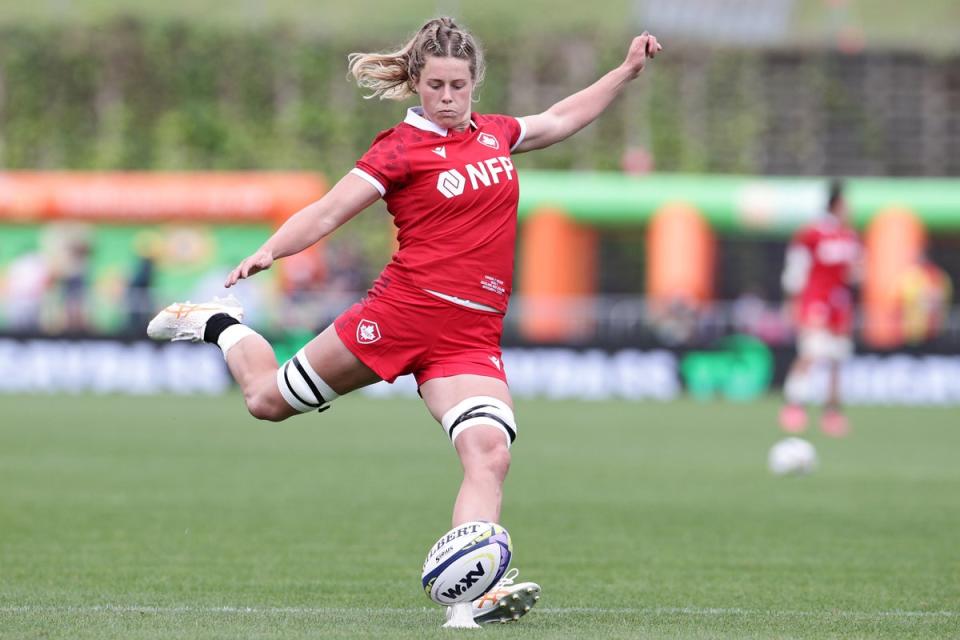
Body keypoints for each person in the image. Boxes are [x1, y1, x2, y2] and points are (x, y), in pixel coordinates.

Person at [147, 17, 662, 628]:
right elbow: (329, 210)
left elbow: (560, 119)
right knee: (265, 400)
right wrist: (273, 250)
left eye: (459, 85)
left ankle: (467, 603)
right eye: (436, 85)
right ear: (417, 82)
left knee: (490, 452)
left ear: (475, 84)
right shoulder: (398, 148)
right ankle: (218, 324)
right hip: (400, 316)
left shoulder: (495, 135)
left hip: (469, 340)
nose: (447, 98)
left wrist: (625, 73)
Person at [779, 180, 862, 437]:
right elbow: (796, 268)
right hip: (815, 302)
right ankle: (794, 405)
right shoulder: (812, 234)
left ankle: (832, 412)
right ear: (836, 204)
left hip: (840, 306)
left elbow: (856, 272)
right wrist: (792, 301)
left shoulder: (849, 236)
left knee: (836, 359)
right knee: (810, 354)